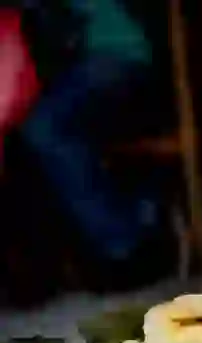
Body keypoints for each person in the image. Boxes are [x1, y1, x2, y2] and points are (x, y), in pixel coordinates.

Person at [16, 0, 159, 285]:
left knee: (45, 128)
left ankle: (125, 243)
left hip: (113, 52)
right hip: (94, 58)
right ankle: (131, 221)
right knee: (37, 129)